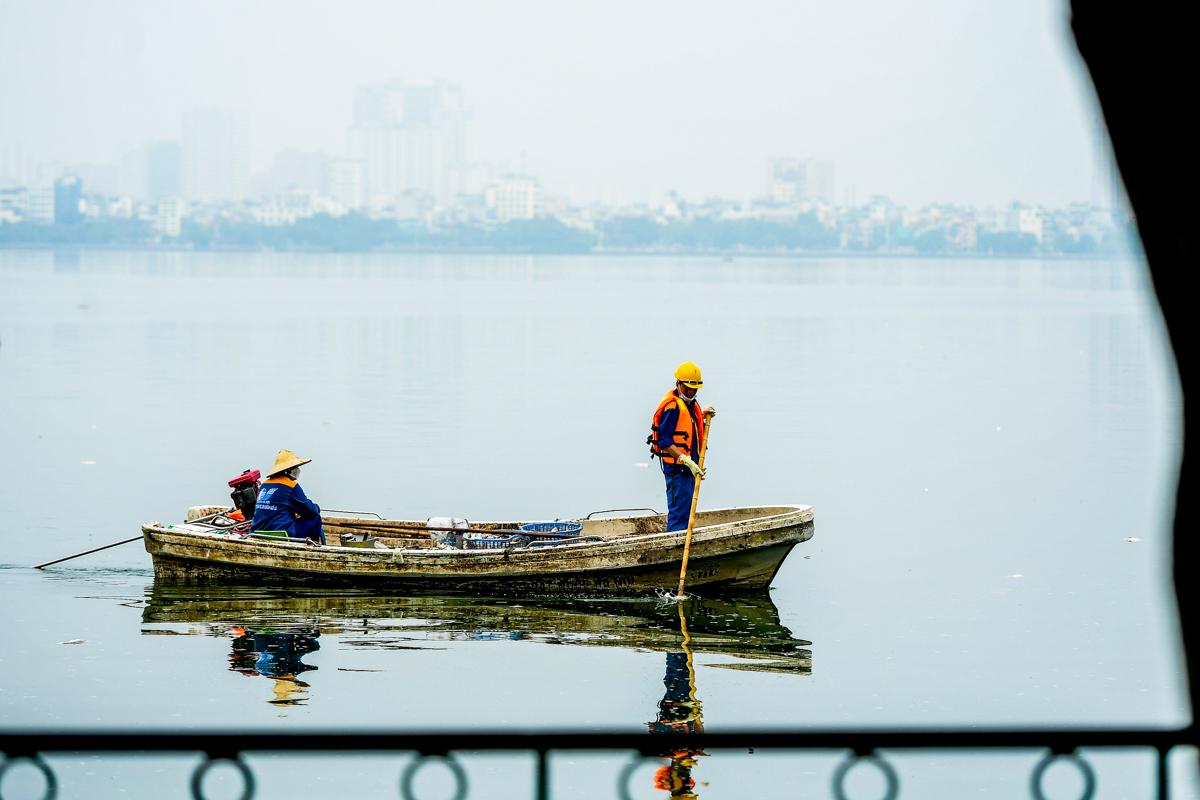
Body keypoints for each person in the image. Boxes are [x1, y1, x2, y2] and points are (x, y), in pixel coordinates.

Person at [649, 362, 716, 532]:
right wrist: (685, 460)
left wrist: (703, 415)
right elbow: (664, 440)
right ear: (678, 384)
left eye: (694, 389)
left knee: (686, 510)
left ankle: (682, 541)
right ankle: (676, 547)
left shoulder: (690, 404)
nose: (690, 392)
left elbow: (688, 427)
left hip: (689, 468)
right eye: (687, 388)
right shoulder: (672, 407)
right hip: (677, 469)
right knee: (679, 513)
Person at [251, 449, 325, 544]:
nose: (297, 470)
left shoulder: (265, 484)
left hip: (257, 531)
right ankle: (312, 545)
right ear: (288, 470)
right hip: (281, 533)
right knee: (315, 517)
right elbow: (310, 510)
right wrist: (317, 507)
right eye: (295, 467)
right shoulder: (290, 485)